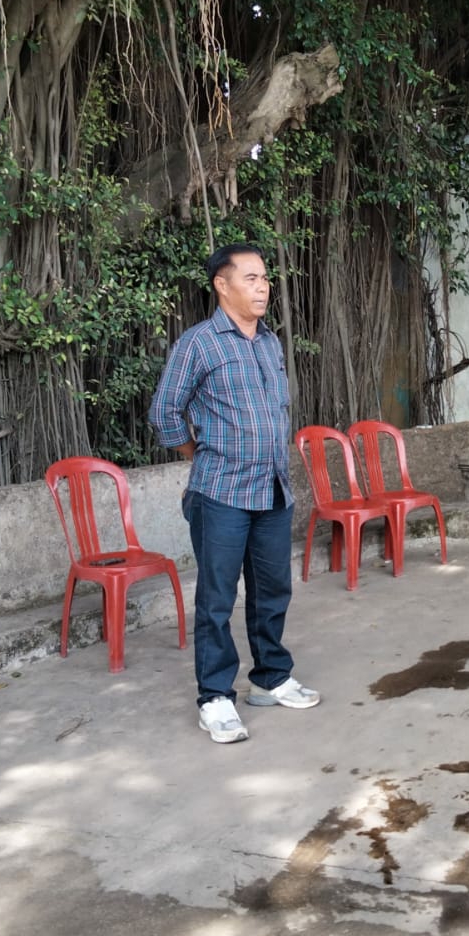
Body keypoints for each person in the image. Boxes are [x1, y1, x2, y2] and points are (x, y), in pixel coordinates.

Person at [150, 243, 320, 744]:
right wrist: (197, 454)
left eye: (265, 278)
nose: (263, 287)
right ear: (221, 286)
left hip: (272, 489)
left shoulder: (269, 343)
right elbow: (164, 411)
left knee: (273, 590)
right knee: (217, 599)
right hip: (221, 492)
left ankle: (270, 678)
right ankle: (215, 698)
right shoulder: (198, 344)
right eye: (251, 278)